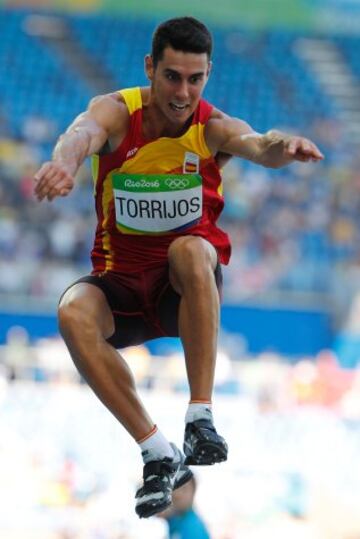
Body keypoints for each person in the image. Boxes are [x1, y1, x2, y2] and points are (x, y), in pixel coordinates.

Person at [33, 16, 324, 519]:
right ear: (151, 67)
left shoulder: (210, 127)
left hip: (181, 291)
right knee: (72, 311)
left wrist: (285, 148)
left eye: (195, 79)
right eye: (172, 77)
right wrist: (66, 163)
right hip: (120, 285)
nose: (183, 92)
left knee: (189, 249)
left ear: (208, 74)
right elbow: (80, 132)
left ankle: (200, 415)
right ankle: (156, 451)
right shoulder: (117, 113)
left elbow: (259, 143)